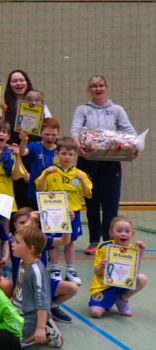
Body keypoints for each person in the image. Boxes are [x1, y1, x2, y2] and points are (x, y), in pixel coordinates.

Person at [70, 75, 137, 255]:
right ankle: (94, 240)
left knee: (110, 204)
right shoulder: (82, 110)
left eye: (101, 85)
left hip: (110, 163)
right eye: (94, 86)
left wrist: (134, 146)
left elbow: (130, 132)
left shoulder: (116, 110)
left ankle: (108, 241)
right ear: (89, 89)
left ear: (106, 88)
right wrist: (78, 145)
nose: (98, 88)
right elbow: (75, 130)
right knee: (91, 203)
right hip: (87, 162)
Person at [36, 137, 92, 285]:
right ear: (57, 154)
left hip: (72, 213)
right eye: (64, 153)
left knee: (70, 242)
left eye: (70, 154)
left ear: (75, 156)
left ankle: (70, 270)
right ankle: (55, 269)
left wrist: (82, 180)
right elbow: (39, 190)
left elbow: (87, 194)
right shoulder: (50, 171)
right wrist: (45, 175)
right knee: (53, 242)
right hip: (53, 212)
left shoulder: (80, 174)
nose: (67, 157)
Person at [10, 226, 63, 348]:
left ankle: (46, 330)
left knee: (12, 342)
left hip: (31, 314)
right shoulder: (22, 262)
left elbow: (42, 302)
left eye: (17, 242)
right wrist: (12, 300)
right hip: (19, 310)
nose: (12, 244)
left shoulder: (37, 271)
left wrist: (40, 328)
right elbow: (20, 284)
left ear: (30, 248)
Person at [88, 216, 148, 318]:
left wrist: (141, 253)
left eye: (127, 231)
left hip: (122, 283)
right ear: (111, 232)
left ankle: (122, 299)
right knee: (95, 313)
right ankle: (108, 299)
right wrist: (102, 266)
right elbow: (96, 271)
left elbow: (134, 273)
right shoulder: (103, 247)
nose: (123, 234)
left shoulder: (132, 249)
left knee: (142, 278)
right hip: (104, 286)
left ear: (132, 234)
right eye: (119, 231)